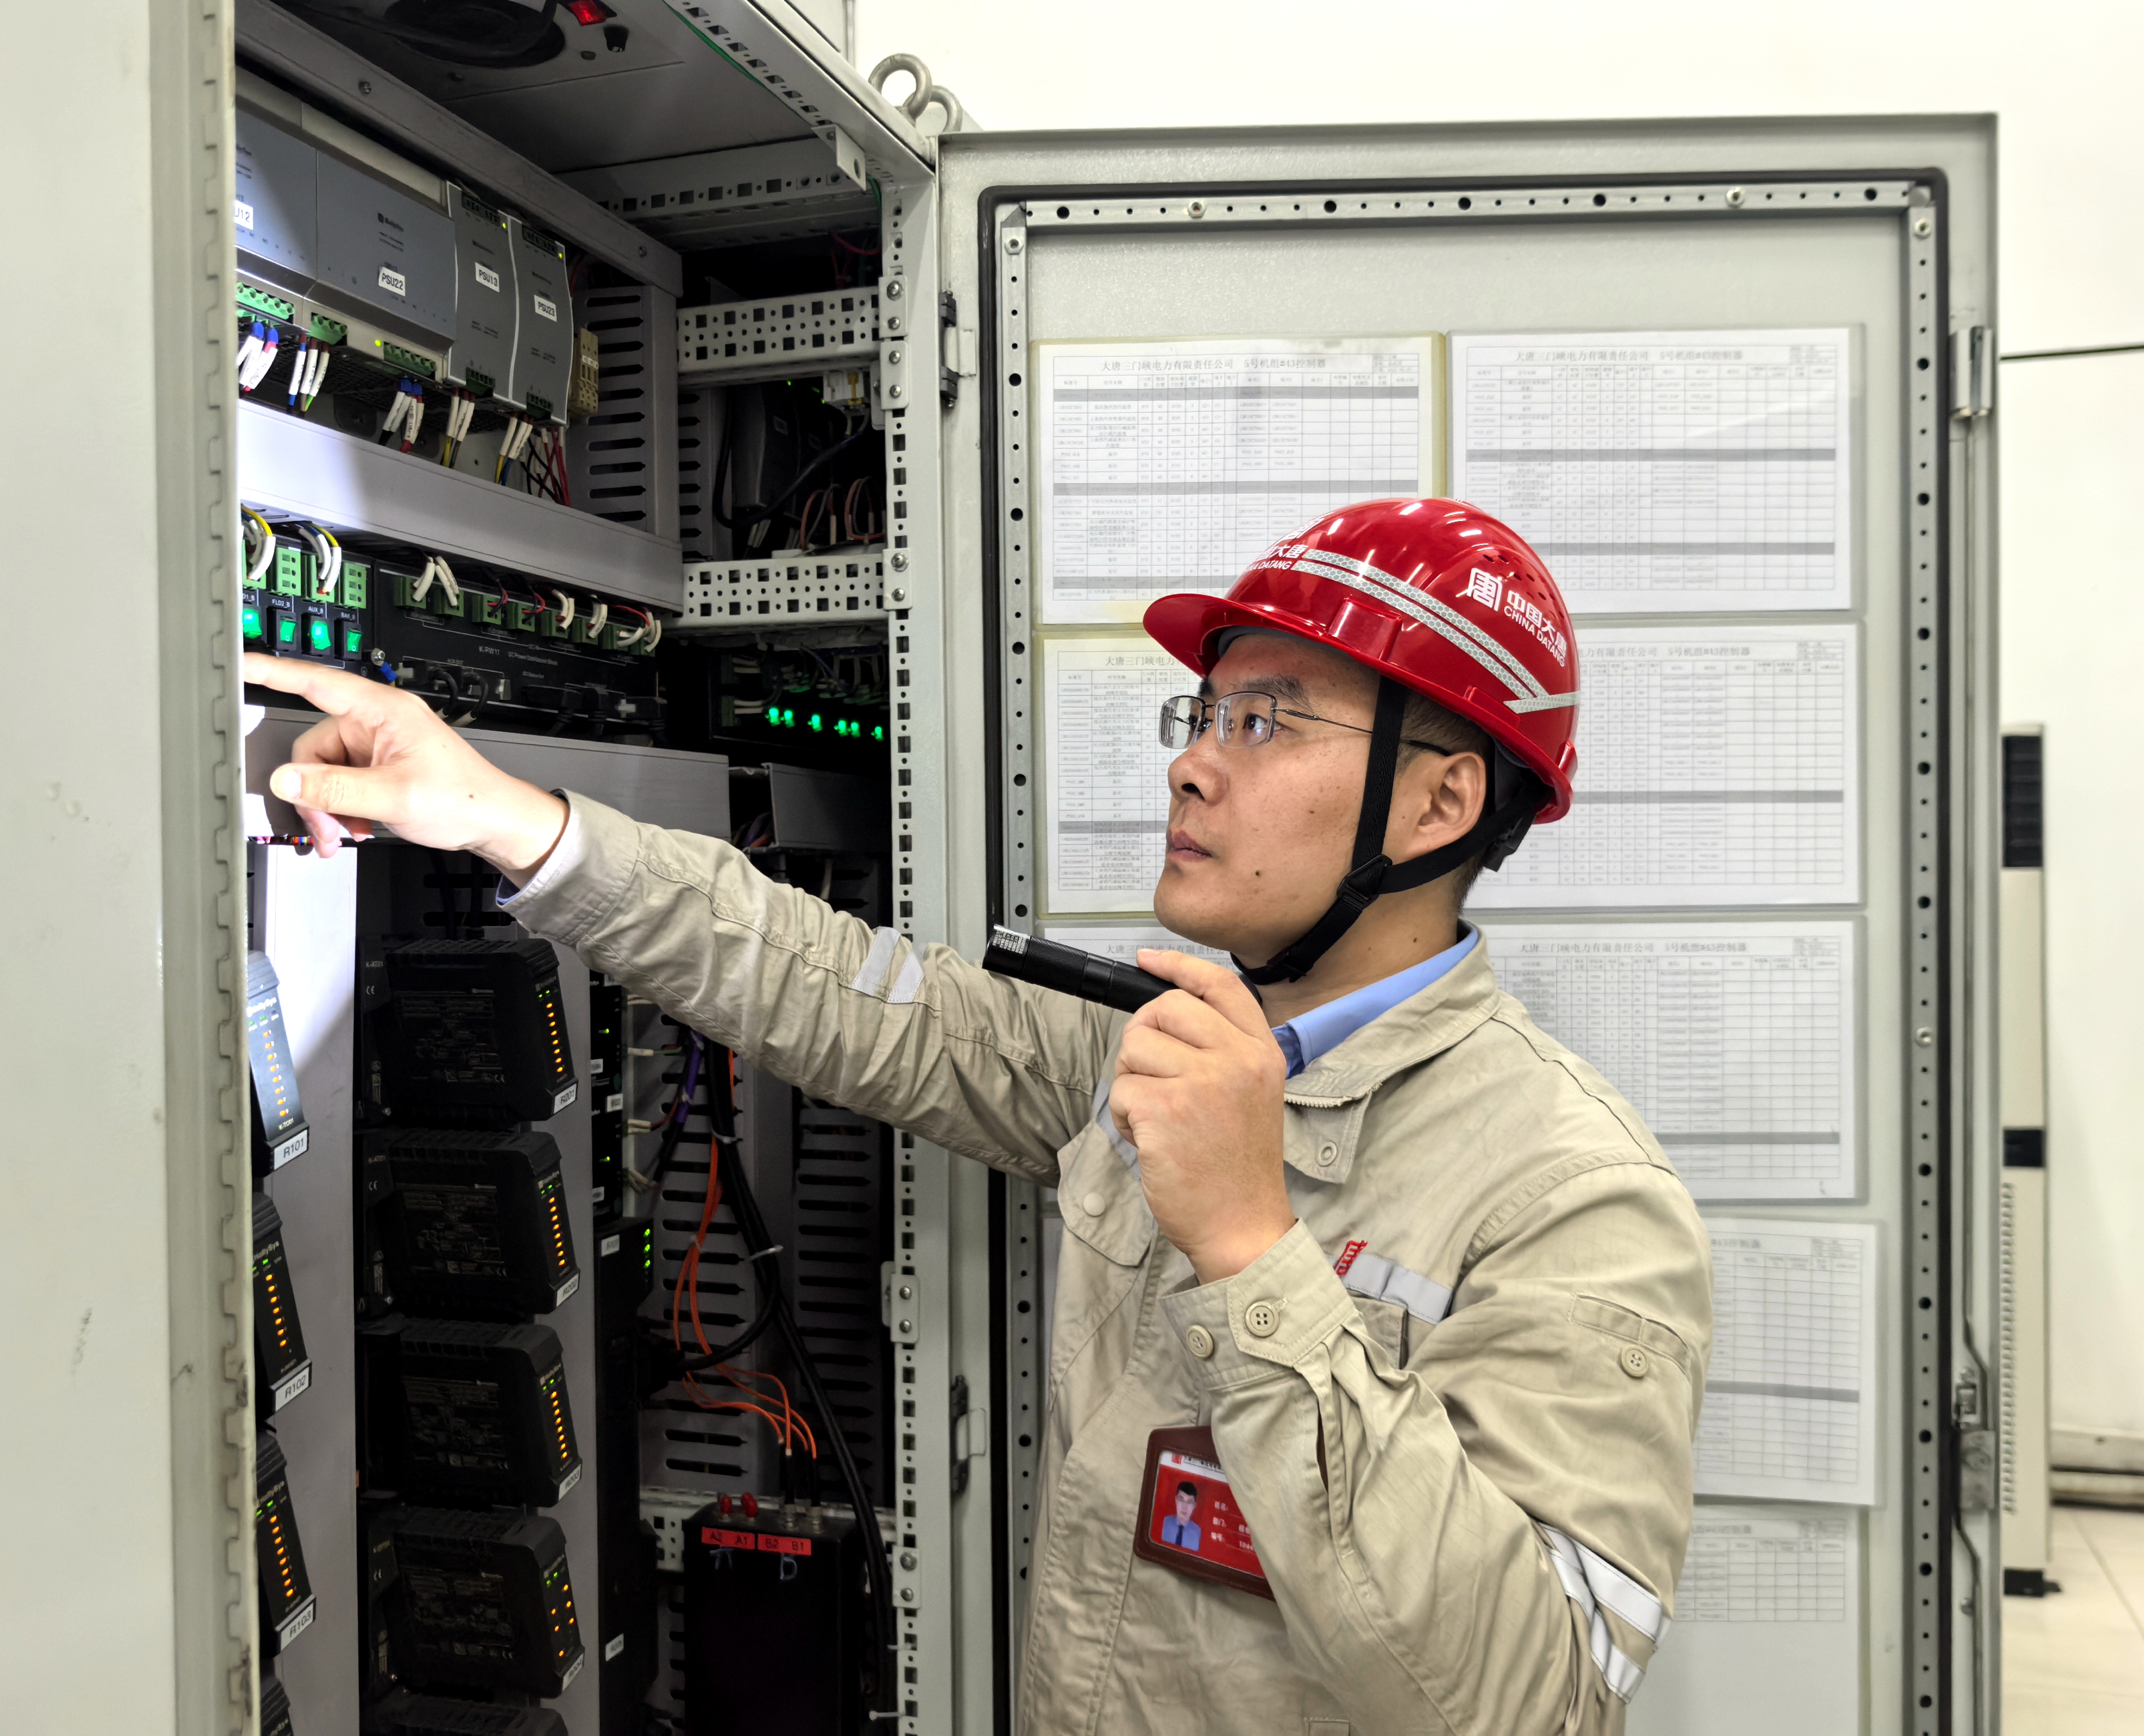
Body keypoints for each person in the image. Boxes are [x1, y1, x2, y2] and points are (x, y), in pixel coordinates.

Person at [245, 496, 1712, 1736]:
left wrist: (1253, 1252)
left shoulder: (1575, 1199)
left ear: (1437, 804)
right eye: (1204, 713)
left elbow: (1532, 1699)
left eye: (1267, 722)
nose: (1193, 762)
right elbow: (835, 983)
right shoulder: (1149, 1056)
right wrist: (502, 816)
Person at [1161, 1482, 1202, 1553]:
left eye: (1189, 1502)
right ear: (1176, 1500)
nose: (1184, 1507)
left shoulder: (1198, 1533)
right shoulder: (1164, 1523)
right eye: (1181, 1500)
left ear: (1194, 1505)